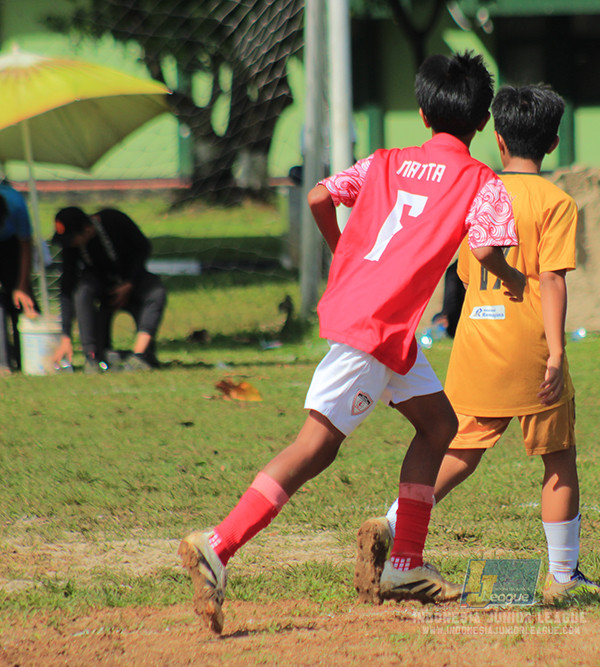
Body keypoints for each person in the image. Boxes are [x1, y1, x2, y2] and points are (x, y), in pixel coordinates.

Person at [178, 51, 526, 634]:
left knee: (440, 425)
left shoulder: (385, 161)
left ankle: (405, 564)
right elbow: (488, 249)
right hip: (376, 327)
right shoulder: (482, 181)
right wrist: (516, 279)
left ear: (422, 114)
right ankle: (219, 544)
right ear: (482, 120)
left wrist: (343, 251)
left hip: (384, 325)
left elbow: (320, 196)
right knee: (315, 447)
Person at [359, 84, 600, 605]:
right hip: (531, 343)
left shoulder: (475, 192)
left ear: (498, 139)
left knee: (458, 450)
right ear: (554, 142)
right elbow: (552, 279)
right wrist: (557, 352)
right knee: (558, 457)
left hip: (476, 341)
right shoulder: (557, 202)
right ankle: (563, 577)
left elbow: (460, 270)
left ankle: (391, 524)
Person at [50, 207, 167, 372]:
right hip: (103, 286)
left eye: (72, 238)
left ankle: (140, 355)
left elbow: (142, 247)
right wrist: (66, 336)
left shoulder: (114, 220)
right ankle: (91, 356)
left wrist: (130, 283)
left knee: (156, 292)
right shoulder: (72, 247)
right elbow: (67, 287)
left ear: (87, 229)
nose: (69, 244)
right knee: (82, 291)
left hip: (133, 279)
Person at [0, 181, 39, 372]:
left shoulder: (15, 204)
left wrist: (22, 285)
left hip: (12, 245)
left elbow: (25, 244)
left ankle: (27, 358)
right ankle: (3, 361)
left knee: (21, 301)